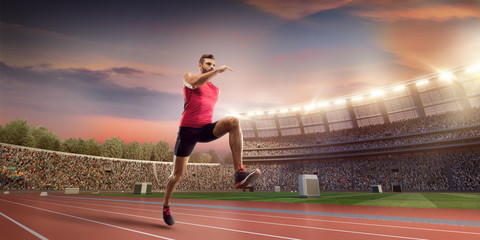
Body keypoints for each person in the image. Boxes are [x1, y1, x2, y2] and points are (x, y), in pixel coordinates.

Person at [162, 54, 261, 226]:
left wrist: (215, 74)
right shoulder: (189, 77)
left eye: (213, 65)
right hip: (187, 131)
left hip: (206, 130)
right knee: (177, 175)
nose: (212, 66)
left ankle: (239, 173)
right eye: (208, 64)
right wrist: (218, 71)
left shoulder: (216, 90)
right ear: (200, 66)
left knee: (233, 121)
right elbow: (195, 84)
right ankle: (166, 206)